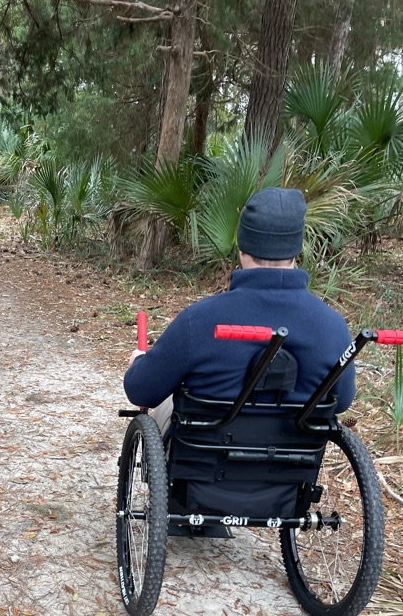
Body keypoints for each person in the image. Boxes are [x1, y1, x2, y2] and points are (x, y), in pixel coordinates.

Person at [124, 187, 356, 436]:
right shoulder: (332, 327)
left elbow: (141, 391)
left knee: (168, 402)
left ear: (242, 247)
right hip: (293, 467)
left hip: (203, 467)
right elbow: (341, 401)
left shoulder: (200, 320)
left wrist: (139, 361)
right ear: (296, 249)